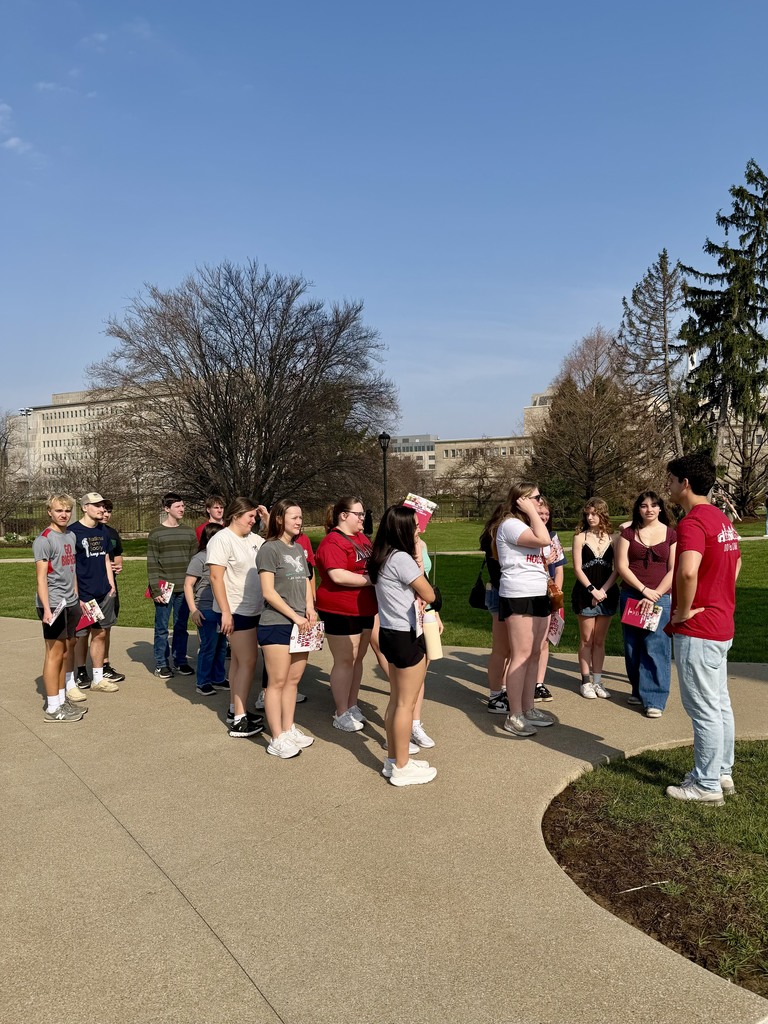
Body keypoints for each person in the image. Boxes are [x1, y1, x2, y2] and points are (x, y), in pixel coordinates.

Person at [664, 454, 741, 805]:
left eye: (671, 480)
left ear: (686, 484)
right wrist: (719, 594)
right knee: (719, 703)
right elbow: (736, 562)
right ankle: (721, 772)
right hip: (721, 622)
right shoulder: (721, 519)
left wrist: (681, 611)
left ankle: (707, 785)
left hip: (700, 629)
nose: (668, 486)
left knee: (704, 707)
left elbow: (688, 571)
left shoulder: (693, 522)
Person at [369, 505, 437, 786]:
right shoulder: (402, 559)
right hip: (405, 634)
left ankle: (394, 759)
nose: (418, 530)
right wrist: (418, 557)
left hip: (389, 632)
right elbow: (429, 592)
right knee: (405, 705)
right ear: (402, 530)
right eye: (414, 527)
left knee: (396, 699)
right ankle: (402, 767)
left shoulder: (381, 556)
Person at [494, 482, 556, 737]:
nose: (540, 502)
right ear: (521, 500)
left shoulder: (530, 524)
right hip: (518, 594)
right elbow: (543, 540)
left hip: (538, 590)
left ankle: (528, 708)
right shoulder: (510, 524)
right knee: (520, 655)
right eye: (536, 498)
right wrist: (531, 512)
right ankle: (514, 714)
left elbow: (546, 549)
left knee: (534, 653)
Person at [257, 499, 317, 758]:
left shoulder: (298, 549)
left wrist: (310, 608)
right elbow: (268, 592)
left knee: (293, 680)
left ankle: (289, 727)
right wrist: (295, 616)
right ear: (280, 519)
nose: (299, 521)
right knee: (277, 682)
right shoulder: (269, 549)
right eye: (294, 517)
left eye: (301, 517)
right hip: (277, 623)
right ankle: (277, 736)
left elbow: (305, 582)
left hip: (302, 624)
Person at [315, 496, 377, 732]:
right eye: (358, 514)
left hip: (365, 607)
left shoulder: (362, 539)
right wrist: (369, 580)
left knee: (357, 659)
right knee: (345, 660)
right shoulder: (333, 542)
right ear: (343, 515)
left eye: (363, 514)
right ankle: (341, 712)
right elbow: (337, 575)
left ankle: (351, 705)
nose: (363, 518)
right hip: (340, 609)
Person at [207, 496, 265, 738]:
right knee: (248, 661)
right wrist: (226, 612)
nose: (254, 520)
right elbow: (215, 578)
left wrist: (268, 518)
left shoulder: (254, 539)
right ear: (235, 515)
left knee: (241, 663)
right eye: (250, 516)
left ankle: (235, 709)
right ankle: (239, 720)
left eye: (255, 516)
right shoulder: (222, 539)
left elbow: (274, 544)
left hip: (254, 608)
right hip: (235, 610)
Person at [615, 491, 677, 717]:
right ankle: (638, 690)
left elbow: (674, 569)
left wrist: (656, 594)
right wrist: (643, 591)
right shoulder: (628, 534)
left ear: (661, 508)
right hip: (632, 595)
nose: (649, 509)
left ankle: (654, 699)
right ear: (638, 509)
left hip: (660, 598)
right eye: (643, 506)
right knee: (633, 646)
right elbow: (622, 566)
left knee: (656, 646)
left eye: (653, 505)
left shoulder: (671, 534)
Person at [33, 494, 85, 722]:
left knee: (65, 652)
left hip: (70, 602)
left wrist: (77, 597)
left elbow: (71, 569)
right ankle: (53, 707)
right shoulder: (44, 540)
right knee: (54, 653)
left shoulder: (71, 535)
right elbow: (41, 579)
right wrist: (46, 609)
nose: (63, 514)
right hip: (53, 603)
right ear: (49, 512)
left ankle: (62, 699)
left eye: (67, 511)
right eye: (58, 511)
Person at [67, 492, 119, 694]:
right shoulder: (73, 532)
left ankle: (99, 677)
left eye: (103, 506)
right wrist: (78, 595)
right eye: (97, 505)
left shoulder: (103, 530)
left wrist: (111, 584)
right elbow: (70, 566)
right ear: (85, 507)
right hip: (85, 594)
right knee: (81, 635)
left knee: (101, 633)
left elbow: (107, 558)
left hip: (103, 592)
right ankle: (80, 672)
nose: (102, 509)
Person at [571, 497, 619, 699]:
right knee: (586, 639)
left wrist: (603, 591)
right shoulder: (579, 538)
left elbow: (617, 569)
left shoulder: (614, 538)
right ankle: (585, 681)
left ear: (602, 514)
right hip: (585, 593)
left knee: (599, 640)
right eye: (587, 514)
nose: (590, 517)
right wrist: (592, 590)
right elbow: (577, 568)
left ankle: (598, 681)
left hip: (607, 593)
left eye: (594, 513)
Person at [147, 492, 198, 679]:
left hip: (184, 588)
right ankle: (161, 663)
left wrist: (194, 586)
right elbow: (152, 563)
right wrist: (155, 588)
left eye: (183, 506)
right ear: (166, 509)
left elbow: (194, 561)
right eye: (177, 506)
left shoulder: (189, 532)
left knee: (181, 626)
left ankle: (180, 660)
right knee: (161, 627)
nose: (182, 509)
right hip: (164, 588)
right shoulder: (156, 534)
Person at [184, 523, 229, 696]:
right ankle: (203, 681)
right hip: (205, 609)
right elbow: (188, 585)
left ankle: (218, 678)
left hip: (222, 609)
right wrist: (193, 609)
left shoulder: (223, 559)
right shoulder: (200, 558)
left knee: (221, 646)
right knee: (208, 647)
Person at [480, 503, 510, 714]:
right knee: (501, 650)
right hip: (501, 594)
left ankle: (503, 690)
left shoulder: (493, 536)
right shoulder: (496, 539)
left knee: (508, 650)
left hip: (500, 593)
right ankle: (495, 695)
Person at [535, 498, 566, 703]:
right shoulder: (529, 536)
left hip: (549, 593)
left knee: (544, 641)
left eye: (547, 514)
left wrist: (557, 593)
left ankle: (539, 683)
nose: (544, 517)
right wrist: (545, 562)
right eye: (541, 514)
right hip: (531, 591)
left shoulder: (553, 537)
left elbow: (561, 568)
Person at [99, 499, 126, 683]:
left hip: (110, 588)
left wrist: (118, 565)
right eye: (103, 510)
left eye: (109, 510)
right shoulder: (81, 532)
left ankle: (104, 664)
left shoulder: (112, 533)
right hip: (89, 589)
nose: (106, 514)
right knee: (85, 630)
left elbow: (118, 555)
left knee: (106, 628)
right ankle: (81, 669)